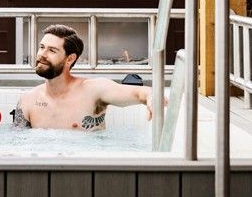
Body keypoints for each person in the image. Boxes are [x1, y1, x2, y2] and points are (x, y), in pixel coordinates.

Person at [13, 24, 161, 131]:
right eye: (41, 47)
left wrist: (151, 96)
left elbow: (139, 93)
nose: (42, 55)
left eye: (52, 50)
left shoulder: (93, 90)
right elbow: (18, 145)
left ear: (70, 59)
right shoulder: (27, 100)